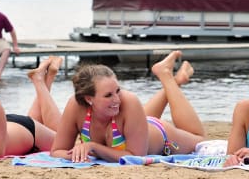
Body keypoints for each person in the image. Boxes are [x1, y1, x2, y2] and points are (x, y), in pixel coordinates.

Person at [51, 50, 206, 163]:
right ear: (88, 99)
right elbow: (57, 151)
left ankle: (167, 77)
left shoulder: (128, 101)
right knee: (133, 115)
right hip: (135, 125)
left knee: (200, 140)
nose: (117, 99)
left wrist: (93, 147)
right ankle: (175, 79)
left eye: (118, 90)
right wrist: (77, 155)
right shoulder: (76, 106)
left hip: (162, 135)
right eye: (108, 95)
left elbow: (136, 157)